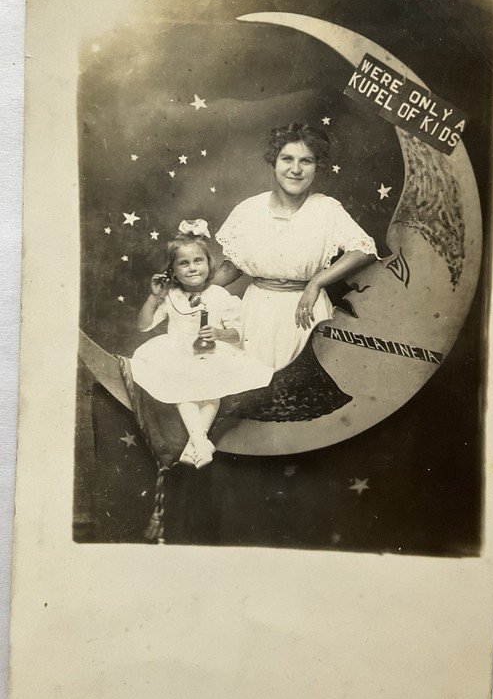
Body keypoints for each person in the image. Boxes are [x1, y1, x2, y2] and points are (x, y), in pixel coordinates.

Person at [214, 122, 379, 371]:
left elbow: (365, 250)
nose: (295, 169)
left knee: (301, 387)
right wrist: (198, 290)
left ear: (317, 166)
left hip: (306, 311)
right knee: (254, 387)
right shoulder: (249, 209)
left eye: (306, 161)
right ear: (274, 161)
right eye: (287, 159)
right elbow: (234, 265)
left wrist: (316, 283)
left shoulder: (327, 209)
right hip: (258, 313)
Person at [130, 219, 273, 469]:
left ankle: (193, 445)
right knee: (182, 389)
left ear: (209, 263)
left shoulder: (219, 296)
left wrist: (218, 332)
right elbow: (143, 326)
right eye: (183, 263)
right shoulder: (171, 296)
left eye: (198, 261)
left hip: (211, 352)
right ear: (172, 270)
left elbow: (236, 334)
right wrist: (154, 298)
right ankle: (200, 441)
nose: (192, 268)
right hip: (177, 352)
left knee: (210, 389)